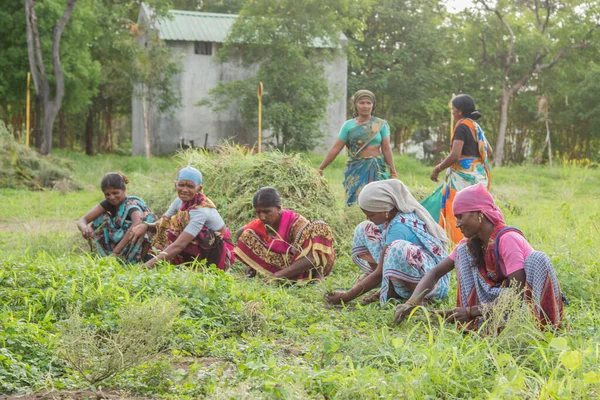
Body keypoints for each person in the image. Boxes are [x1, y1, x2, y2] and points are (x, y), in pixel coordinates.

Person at [393, 184, 564, 330]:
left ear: (479, 214)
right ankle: (474, 325)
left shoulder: (507, 239)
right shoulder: (473, 244)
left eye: (460, 217)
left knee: (538, 258)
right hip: (496, 306)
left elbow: (517, 296)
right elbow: (436, 272)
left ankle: (543, 327)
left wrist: (470, 311)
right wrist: (411, 303)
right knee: (462, 252)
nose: (457, 224)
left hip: (525, 306)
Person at [325, 180, 449, 306]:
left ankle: (419, 299)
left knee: (397, 249)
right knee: (365, 229)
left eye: (371, 215)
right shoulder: (389, 218)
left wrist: (345, 297)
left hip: (431, 284)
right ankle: (391, 288)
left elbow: (380, 272)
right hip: (413, 272)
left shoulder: (400, 227)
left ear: (385, 210)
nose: (368, 218)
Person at [130, 166, 234, 270]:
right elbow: (162, 223)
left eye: (190, 186)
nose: (184, 190)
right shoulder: (179, 201)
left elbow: (180, 245)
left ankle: (201, 268)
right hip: (193, 243)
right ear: (175, 185)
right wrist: (146, 226)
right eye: (181, 185)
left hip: (218, 253)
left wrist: (145, 267)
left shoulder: (201, 210)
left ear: (199, 189)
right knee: (167, 225)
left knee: (184, 231)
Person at [235, 187, 335, 284]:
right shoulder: (260, 225)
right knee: (246, 235)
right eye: (258, 212)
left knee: (320, 227)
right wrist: (251, 264)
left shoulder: (296, 223)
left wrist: (276, 277)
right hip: (282, 266)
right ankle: (284, 276)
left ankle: (318, 276)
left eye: (267, 212)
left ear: (278, 208)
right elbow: (240, 234)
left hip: (307, 267)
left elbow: (309, 259)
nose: (262, 217)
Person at [430, 94, 492, 243]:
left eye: (453, 109)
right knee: (476, 212)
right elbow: (488, 151)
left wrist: (437, 168)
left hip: (461, 179)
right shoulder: (475, 126)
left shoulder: (461, 126)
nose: (452, 112)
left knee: (459, 211)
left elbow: (455, 155)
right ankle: (480, 242)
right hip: (478, 177)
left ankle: (458, 245)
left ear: (459, 111)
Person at [318, 90, 397, 206]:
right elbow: (336, 149)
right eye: (362, 103)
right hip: (355, 168)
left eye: (368, 103)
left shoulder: (380, 125)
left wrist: (393, 171)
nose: (365, 106)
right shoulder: (348, 125)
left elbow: (386, 149)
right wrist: (321, 168)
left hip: (376, 167)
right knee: (354, 200)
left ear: (373, 105)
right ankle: (353, 219)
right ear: (355, 105)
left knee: (376, 199)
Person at [77, 172, 156, 263]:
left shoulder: (131, 203)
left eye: (115, 193)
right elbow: (82, 220)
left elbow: (137, 222)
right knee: (100, 218)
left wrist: (116, 252)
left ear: (124, 189)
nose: (112, 197)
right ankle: (106, 256)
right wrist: (84, 228)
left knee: (138, 227)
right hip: (121, 239)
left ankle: (134, 259)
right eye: (107, 194)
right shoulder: (108, 203)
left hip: (141, 242)